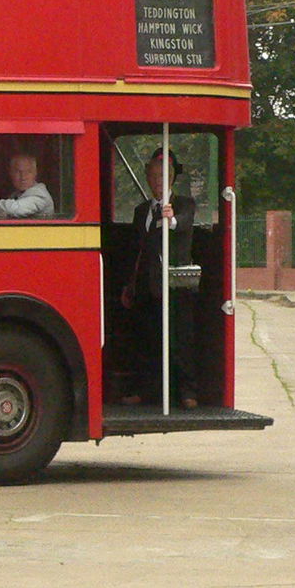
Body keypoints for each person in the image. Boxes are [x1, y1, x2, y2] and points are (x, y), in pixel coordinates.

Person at [120, 149, 198, 408]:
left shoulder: (184, 203)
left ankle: (188, 392)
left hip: (175, 283)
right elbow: (136, 249)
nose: (157, 182)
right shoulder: (142, 210)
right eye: (152, 177)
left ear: (172, 179)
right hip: (147, 284)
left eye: (162, 177)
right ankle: (145, 392)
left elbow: (184, 223)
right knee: (148, 340)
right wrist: (129, 284)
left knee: (180, 339)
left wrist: (171, 219)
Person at [0, 153, 54, 218]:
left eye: (28, 172)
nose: (23, 177)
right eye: (18, 172)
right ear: (11, 173)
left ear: (35, 173)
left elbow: (17, 209)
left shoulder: (40, 194)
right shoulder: (16, 194)